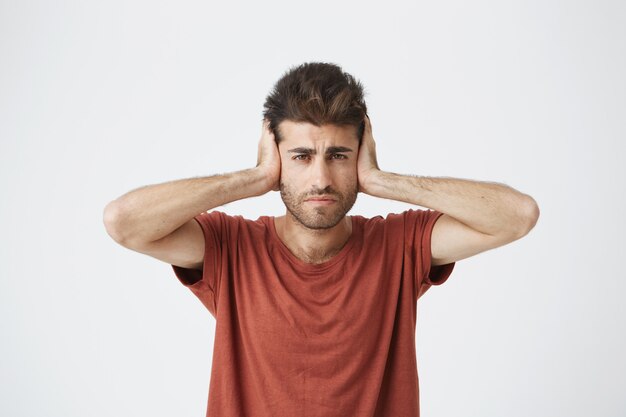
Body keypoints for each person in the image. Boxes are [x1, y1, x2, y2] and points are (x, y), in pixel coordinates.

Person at [103, 62, 540, 417]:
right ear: (276, 157)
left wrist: (382, 181)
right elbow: (123, 222)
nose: (320, 179)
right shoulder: (230, 248)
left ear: (359, 156)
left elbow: (517, 216)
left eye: (338, 156)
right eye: (301, 156)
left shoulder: (400, 246)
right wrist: (252, 178)